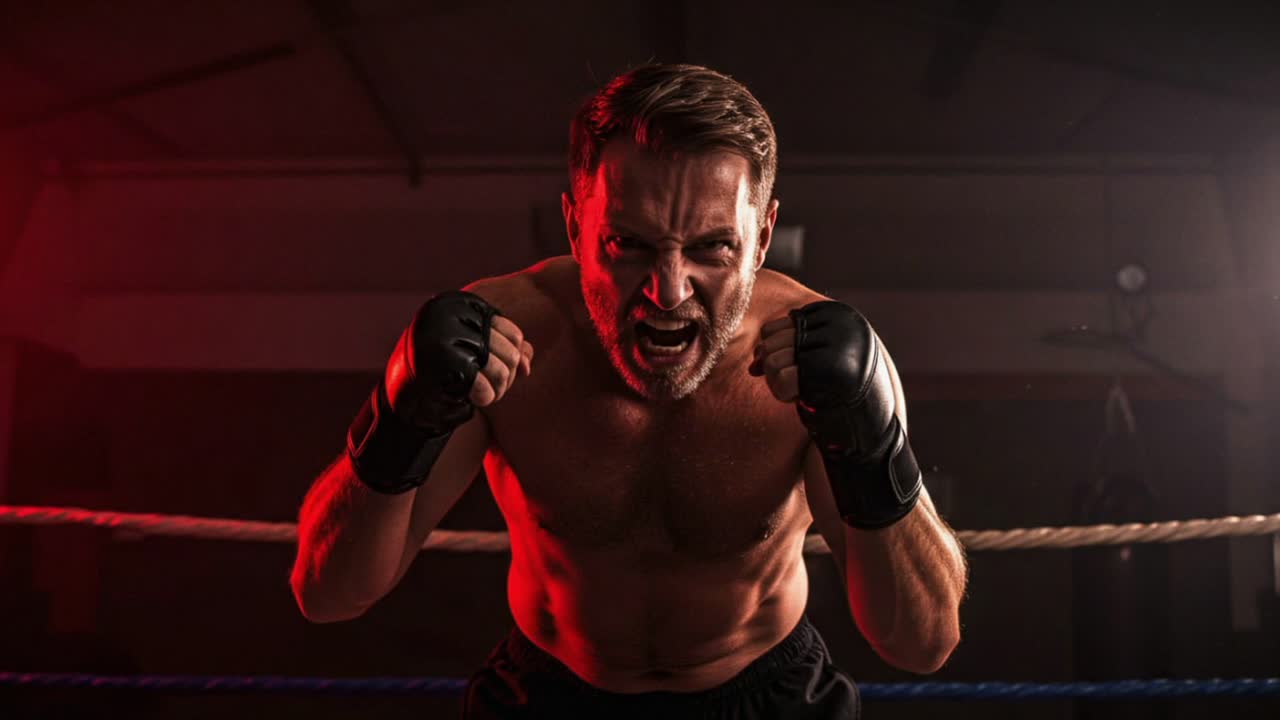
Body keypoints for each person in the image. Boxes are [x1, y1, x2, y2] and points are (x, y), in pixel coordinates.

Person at [290, 63, 967, 719]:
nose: (667, 292)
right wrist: (400, 417)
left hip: (766, 695)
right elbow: (328, 594)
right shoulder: (502, 337)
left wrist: (869, 444)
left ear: (762, 238)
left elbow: (922, 641)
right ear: (574, 227)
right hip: (550, 694)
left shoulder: (816, 361)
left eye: (712, 248)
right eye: (628, 244)